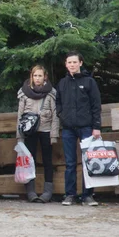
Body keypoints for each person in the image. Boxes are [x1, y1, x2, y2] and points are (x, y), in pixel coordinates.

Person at [56, 51, 101, 206]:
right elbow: (58, 102)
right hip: (68, 128)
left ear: (80, 63)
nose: (72, 65)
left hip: (86, 127)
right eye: (69, 62)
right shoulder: (62, 83)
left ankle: (87, 195)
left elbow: (96, 106)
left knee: (87, 161)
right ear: (66, 65)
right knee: (70, 163)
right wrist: (61, 114)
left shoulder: (89, 82)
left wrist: (96, 127)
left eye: (75, 62)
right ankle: (70, 195)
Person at [16, 65, 59, 203]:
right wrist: (19, 136)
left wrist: (54, 134)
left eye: (40, 76)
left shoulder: (51, 93)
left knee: (47, 161)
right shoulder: (24, 93)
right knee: (29, 161)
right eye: (35, 76)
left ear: (45, 77)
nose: (37, 78)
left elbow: (55, 115)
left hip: (46, 130)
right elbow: (19, 115)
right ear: (31, 77)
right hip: (29, 131)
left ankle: (47, 191)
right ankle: (30, 191)